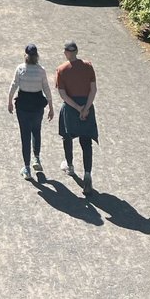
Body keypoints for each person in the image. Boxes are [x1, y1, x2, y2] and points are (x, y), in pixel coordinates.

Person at [55, 40, 98, 193]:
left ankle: (70, 166)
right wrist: (86, 108)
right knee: (86, 142)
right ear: (77, 51)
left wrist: (77, 107)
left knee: (67, 137)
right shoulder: (88, 66)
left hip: (71, 109)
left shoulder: (61, 69)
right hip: (87, 107)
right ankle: (87, 175)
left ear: (66, 53)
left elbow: (62, 94)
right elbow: (93, 90)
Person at [8, 43, 54, 179]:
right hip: (37, 106)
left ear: (25, 56)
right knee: (36, 130)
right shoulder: (41, 70)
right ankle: (36, 158)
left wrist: (9, 100)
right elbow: (46, 88)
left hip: (23, 105)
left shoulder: (21, 69)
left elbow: (14, 85)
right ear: (37, 56)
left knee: (25, 135)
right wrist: (51, 106)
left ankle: (27, 168)